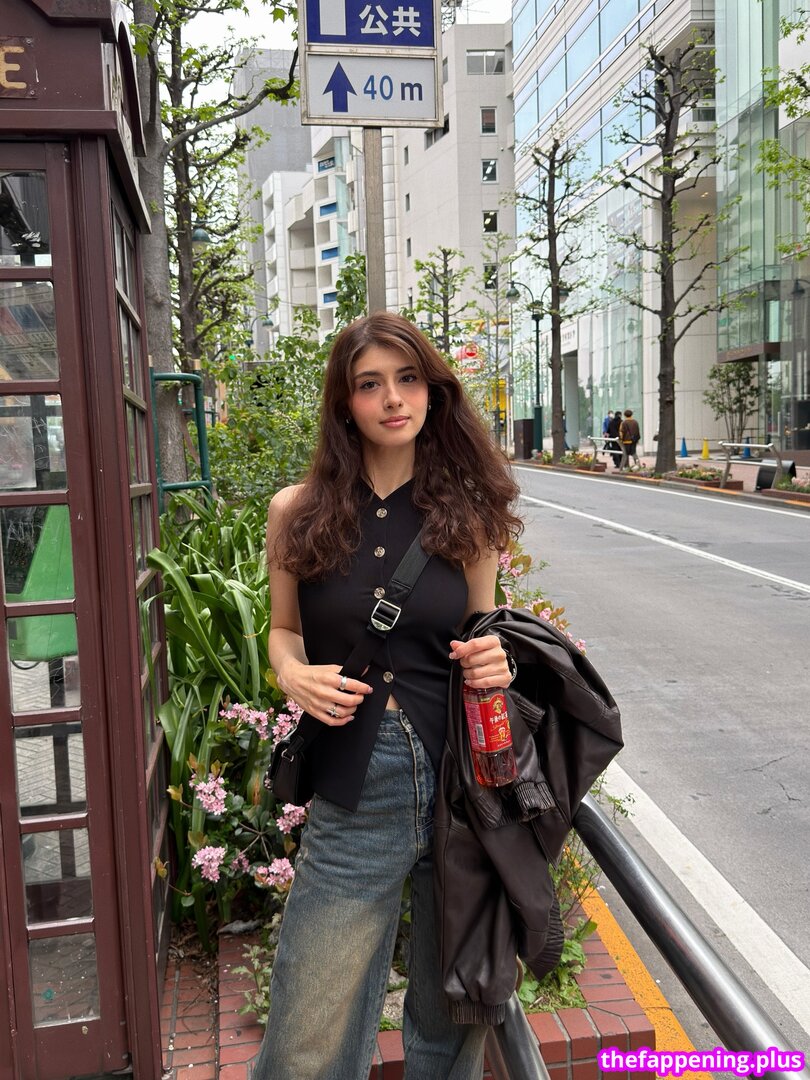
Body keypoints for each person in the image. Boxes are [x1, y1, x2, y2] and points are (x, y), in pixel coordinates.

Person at [252, 311, 522, 1080]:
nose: (393, 398)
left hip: (460, 783)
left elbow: (481, 632)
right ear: (345, 403)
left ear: (433, 392)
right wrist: (293, 674)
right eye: (370, 384)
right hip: (355, 780)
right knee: (307, 1032)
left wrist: (497, 659)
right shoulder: (296, 510)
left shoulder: (469, 515)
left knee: (452, 1015)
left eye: (408, 379)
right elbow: (283, 632)